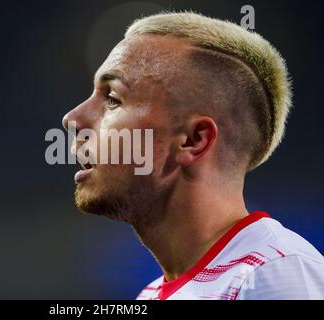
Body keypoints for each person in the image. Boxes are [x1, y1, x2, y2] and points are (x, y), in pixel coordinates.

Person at [62, 12, 324, 300]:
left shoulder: (274, 273)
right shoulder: (148, 295)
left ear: (192, 140)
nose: (72, 118)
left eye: (112, 98)